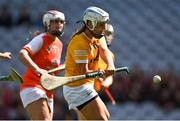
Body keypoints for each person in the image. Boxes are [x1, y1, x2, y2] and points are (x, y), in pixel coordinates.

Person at [63, 6, 115, 120]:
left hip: (87, 85)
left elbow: (104, 51)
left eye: (105, 24)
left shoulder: (97, 36)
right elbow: (83, 71)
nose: (104, 28)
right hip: (76, 88)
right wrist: (99, 73)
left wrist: (111, 65)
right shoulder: (79, 43)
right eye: (101, 24)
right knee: (102, 119)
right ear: (90, 24)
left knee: (106, 116)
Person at [18, 10, 65, 120]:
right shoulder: (41, 39)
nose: (59, 25)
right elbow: (22, 54)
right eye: (55, 21)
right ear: (47, 23)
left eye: (61, 22)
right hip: (32, 85)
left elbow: (52, 71)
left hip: (47, 90)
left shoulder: (59, 44)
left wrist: (65, 66)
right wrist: (37, 69)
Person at [94, 24, 115, 92]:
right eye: (104, 33)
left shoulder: (111, 56)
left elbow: (110, 77)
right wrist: (96, 77)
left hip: (97, 92)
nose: (106, 36)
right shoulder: (92, 50)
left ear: (112, 37)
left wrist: (105, 83)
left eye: (109, 34)